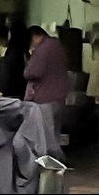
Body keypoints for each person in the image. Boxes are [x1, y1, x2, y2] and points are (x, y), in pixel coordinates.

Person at [24, 25, 69, 155]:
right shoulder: (58, 46)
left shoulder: (43, 49)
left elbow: (33, 72)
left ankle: (52, 163)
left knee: (46, 136)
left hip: (45, 98)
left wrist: (28, 66)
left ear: (35, 37)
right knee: (55, 134)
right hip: (59, 97)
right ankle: (57, 161)